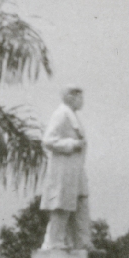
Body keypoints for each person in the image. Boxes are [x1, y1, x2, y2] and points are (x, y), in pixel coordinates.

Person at [38, 86, 89, 249]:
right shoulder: (61, 114)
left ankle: (82, 242)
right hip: (64, 169)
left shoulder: (72, 115)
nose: (82, 101)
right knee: (61, 206)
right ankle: (54, 242)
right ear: (71, 97)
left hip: (76, 168)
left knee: (81, 202)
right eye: (80, 97)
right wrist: (72, 144)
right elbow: (48, 140)